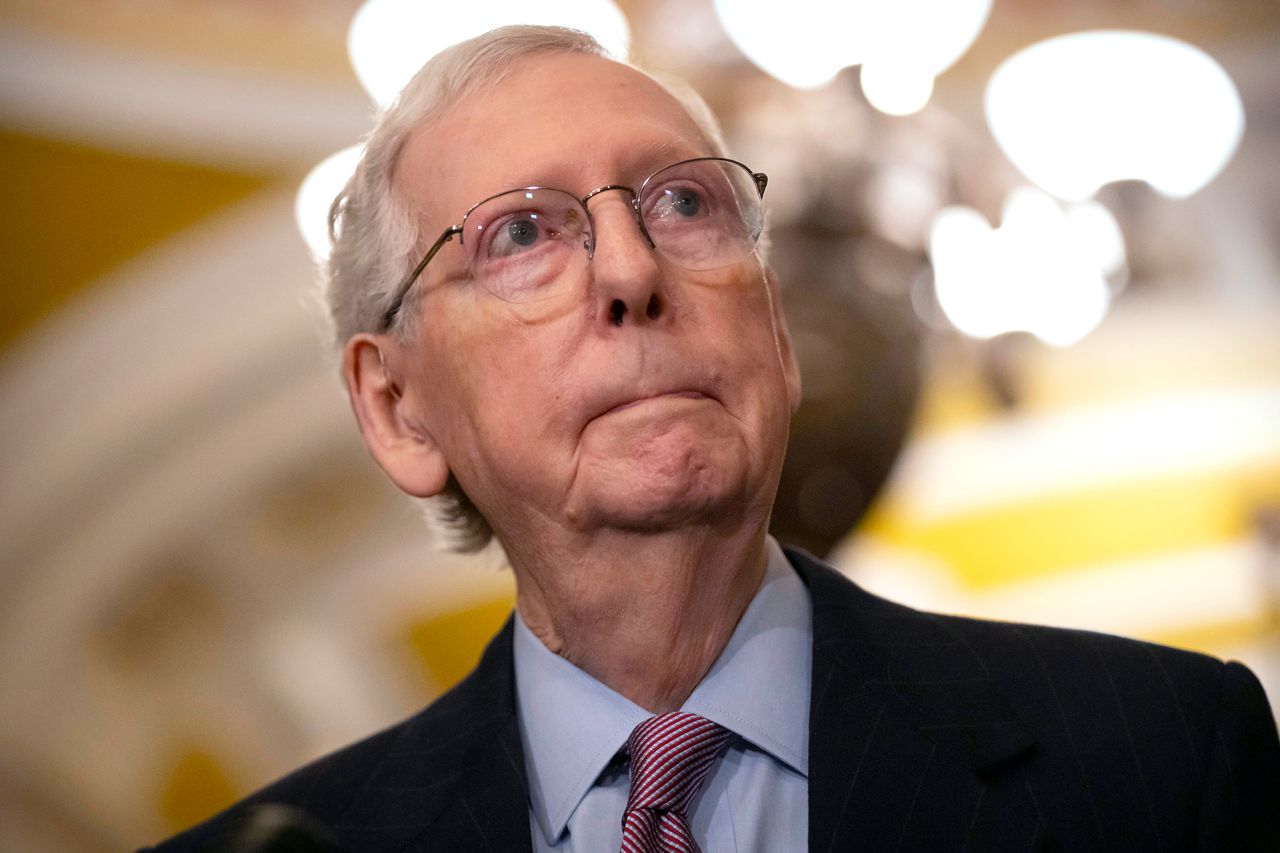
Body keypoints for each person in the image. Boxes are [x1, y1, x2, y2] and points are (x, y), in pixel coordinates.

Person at [149, 25, 1280, 852]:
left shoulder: (1160, 758)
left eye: (684, 204)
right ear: (397, 409)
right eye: (522, 233)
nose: (634, 270)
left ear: (776, 331)